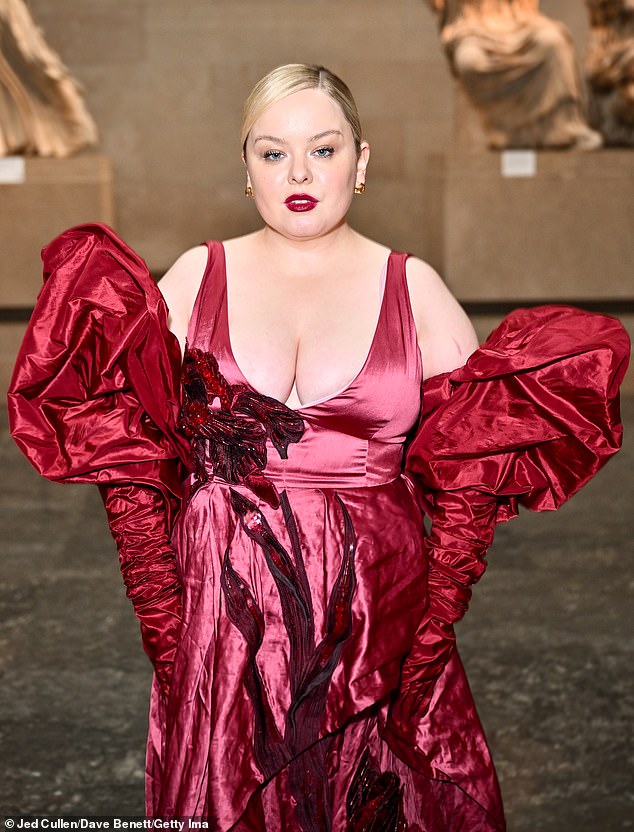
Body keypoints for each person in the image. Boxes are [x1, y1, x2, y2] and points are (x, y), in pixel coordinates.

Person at [7, 64, 629, 830]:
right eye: (272, 153)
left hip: (378, 635)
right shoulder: (195, 280)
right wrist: (167, 626)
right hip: (224, 639)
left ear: (361, 162)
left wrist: (429, 637)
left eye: (323, 150)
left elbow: (472, 478)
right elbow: (129, 459)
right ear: (245, 167)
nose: (298, 173)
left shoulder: (417, 291)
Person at [425, 0, 603, 149]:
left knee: (553, 42)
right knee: (470, 63)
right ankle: (498, 132)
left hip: (519, 20)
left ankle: (563, 128)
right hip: (472, 25)